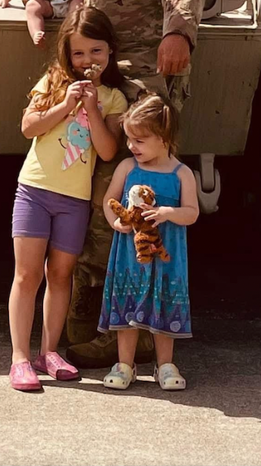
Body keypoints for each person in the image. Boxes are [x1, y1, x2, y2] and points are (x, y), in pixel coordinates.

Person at [20, 0, 205, 368]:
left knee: (137, 202)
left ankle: (136, 328)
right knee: (99, 203)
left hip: (148, 76)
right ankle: (103, 321)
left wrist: (180, 31)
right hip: (103, 81)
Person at [8, 6, 127, 391]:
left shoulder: (112, 99)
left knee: (60, 277)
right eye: (78, 53)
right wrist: (65, 104)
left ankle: (49, 351)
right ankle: (20, 359)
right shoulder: (54, 81)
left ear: (109, 52)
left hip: (74, 200)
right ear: (67, 55)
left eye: (96, 52)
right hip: (35, 191)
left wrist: (91, 107)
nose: (87, 61)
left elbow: (108, 151)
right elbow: (29, 127)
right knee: (26, 276)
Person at [98, 92, 198, 391]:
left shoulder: (183, 174)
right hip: (130, 255)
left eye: (139, 140)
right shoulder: (128, 168)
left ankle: (165, 365)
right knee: (127, 309)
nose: (132, 146)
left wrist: (169, 212)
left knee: (164, 306)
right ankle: (124, 365)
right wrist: (117, 222)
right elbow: (109, 200)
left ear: (163, 137)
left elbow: (192, 213)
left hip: (167, 258)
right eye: (130, 139)